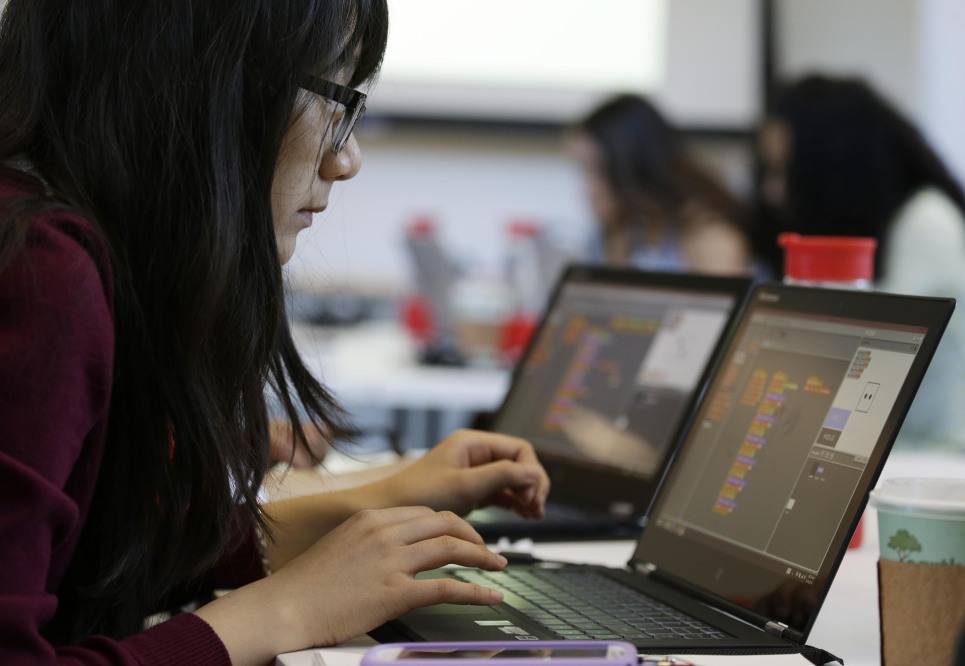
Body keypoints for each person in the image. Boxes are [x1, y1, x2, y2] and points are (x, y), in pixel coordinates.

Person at [0, 2, 550, 664]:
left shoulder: (58, 240)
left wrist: (383, 499)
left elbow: (106, 553)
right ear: (207, 82)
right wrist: (287, 609)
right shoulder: (38, 269)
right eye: (336, 99)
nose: (346, 160)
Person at [753, 74, 965, 450]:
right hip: (902, 447)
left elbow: (859, 364)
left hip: (952, 453)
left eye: (786, 171)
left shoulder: (926, 223)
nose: (772, 191)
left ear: (834, 168)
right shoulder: (884, 226)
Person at [565, 94, 753, 276]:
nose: (587, 188)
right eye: (583, 171)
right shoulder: (619, 230)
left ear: (634, 169)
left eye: (597, 170)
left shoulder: (707, 234)